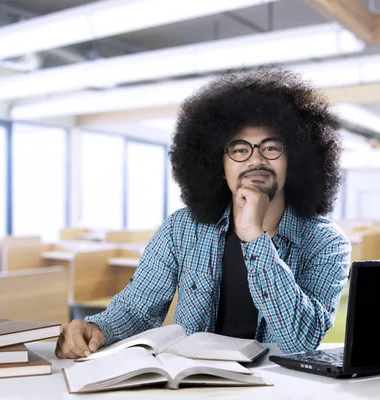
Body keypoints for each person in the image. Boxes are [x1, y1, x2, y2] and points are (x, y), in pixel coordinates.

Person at [55, 67, 351, 359]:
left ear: (295, 160)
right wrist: (95, 329)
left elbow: (301, 341)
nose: (256, 160)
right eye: (239, 150)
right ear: (218, 166)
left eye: (271, 148)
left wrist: (254, 237)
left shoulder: (326, 243)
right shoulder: (181, 229)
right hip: (194, 384)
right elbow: (136, 310)